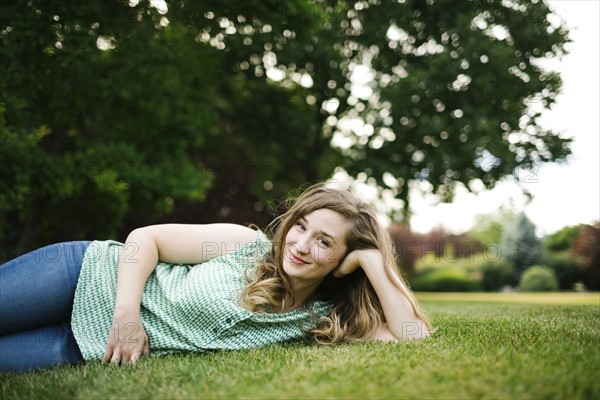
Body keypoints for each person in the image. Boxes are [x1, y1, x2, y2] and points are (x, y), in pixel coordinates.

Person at [0, 183, 432, 372]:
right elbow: (142, 240)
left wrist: (375, 263)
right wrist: (127, 313)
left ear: (344, 256)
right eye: (300, 226)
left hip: (85, 347)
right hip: (82, 275)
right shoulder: (241, 243)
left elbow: (413, 335)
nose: (300, 245)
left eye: (324, 242)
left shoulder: (318, 319)